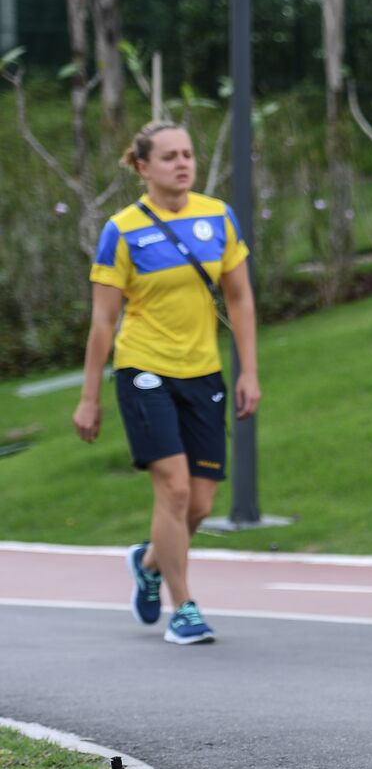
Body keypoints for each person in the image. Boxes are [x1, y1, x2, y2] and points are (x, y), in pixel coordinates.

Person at [74, 120, 260, 645]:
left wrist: (249, 371)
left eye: (188, 154)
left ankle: (150, 562)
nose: (182, 163)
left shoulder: (218, 217)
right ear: (142, 166)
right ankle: (185, 608)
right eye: (169, 156)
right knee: (174, 489)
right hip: (143, 370)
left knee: (199, 504)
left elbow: (241, 298)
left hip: (204, 372)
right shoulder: (122, 230)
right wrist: (90, 398)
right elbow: (102, 324)